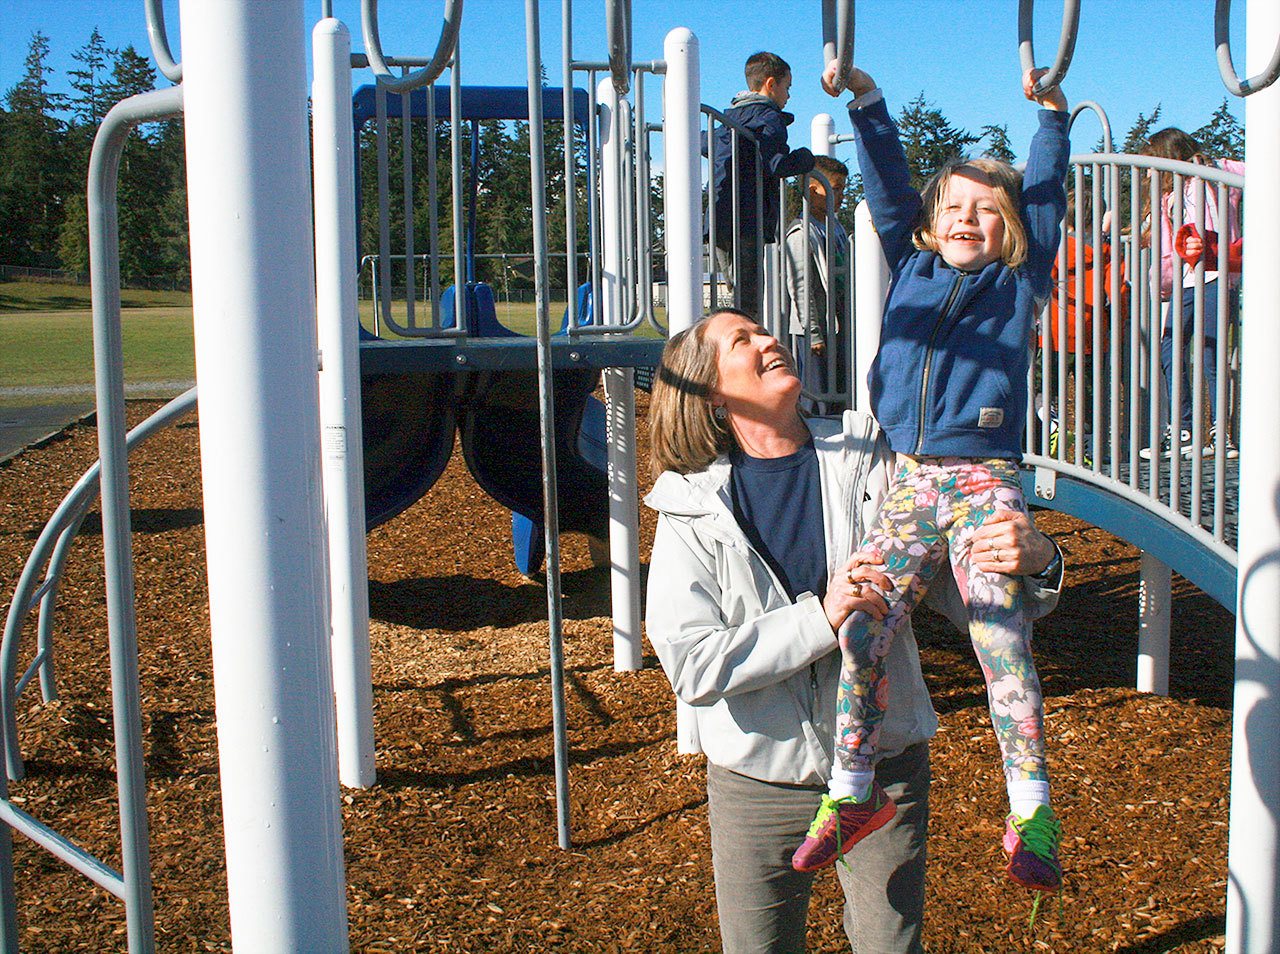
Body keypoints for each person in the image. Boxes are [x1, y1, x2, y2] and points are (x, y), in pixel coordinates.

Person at [645, 308, 1064, 953]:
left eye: (763, 330)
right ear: (707, 391)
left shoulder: (868, 453)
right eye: (742, 340)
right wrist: (821, 616)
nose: (768, 341)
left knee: (890, 945)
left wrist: (1034, 562)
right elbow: (693, 665)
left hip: (885, 768)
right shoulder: (691, 505)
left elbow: (957, 593)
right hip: (759, 780)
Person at [787, 61, 1070, 898]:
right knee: (863, 625)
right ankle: (850, 792)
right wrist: (867, 103)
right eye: (954, 209)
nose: (967, 221)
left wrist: (1051, 121)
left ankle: (1032, 814)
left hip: (982, 478)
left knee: (999, 638)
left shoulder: (1017, 281)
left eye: (988, 211)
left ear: (1012, 227)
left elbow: (1046, 197)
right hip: (910, 480)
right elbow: (886, 184)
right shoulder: (911, 266)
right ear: (929, 224)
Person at [1137, 127, 1243, 461]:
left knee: (1210, 353)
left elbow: (1258, 172)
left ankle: (1219, 432)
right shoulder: (1169, 198)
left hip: (1214, 274)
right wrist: (1162, 285)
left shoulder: (1212, 176)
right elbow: (1170, 250)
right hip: (1185, 280)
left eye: (1153, 163)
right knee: (1169, 347)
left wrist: (1216, 165)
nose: (1149, 172)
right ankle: (1182, 429)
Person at [710, 51, 816, 318]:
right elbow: (776, 164)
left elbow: (709, 144)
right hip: (748, 217)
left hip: (720, 216)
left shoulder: (730, 118)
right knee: (749, 296)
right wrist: (805, 158)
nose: (788, 96)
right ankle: (745, 344)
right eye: (787, 87)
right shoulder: (769, 117)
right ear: (771, 84)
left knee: (735, 288)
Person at [783, 155, 852, 410]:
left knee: (840, 391)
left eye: (843, 189)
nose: (842, 196)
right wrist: (812, 333)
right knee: (817, 395)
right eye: (836, 189)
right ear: (813, 191)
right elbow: (801, 286)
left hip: (838, 326)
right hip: (817, 331)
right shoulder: (801, 232)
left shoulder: (836, 227)